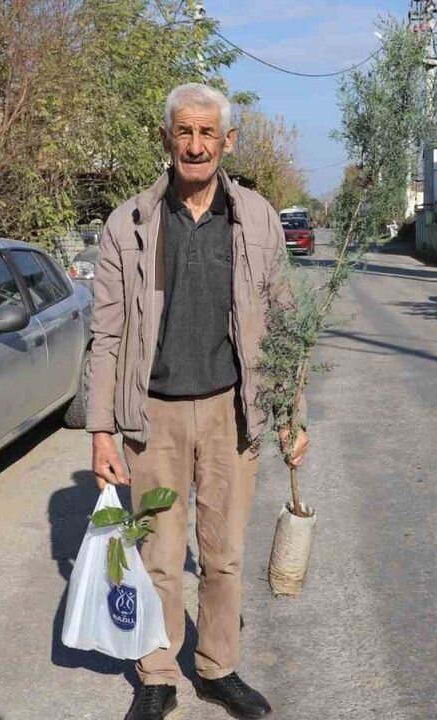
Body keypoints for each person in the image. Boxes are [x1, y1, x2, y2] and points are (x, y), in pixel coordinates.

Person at [87, 82, 310, 720]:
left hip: (228, 411)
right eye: (184, 132)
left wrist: (295, 415)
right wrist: (101, 431)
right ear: (167, 139)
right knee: (158, 554)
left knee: (224, 553)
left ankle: (218, 668)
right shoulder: (127, 223)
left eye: (207, 133)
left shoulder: (257, 218)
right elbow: (104, 335)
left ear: (227, 141)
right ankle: (157, 675)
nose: (195, 145)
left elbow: (286, 322)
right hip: (150, 416)